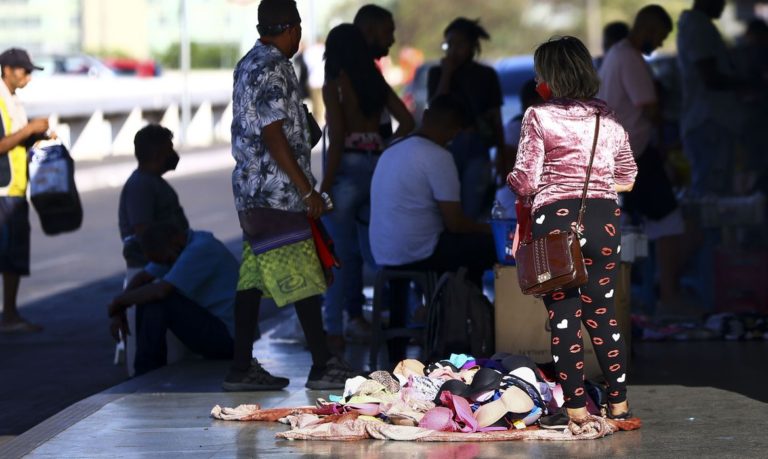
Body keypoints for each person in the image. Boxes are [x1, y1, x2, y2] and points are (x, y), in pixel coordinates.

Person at [223, 0, 356, 392]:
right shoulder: (275, 67)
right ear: (293, 28)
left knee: (250, 280)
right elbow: (272, 132)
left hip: (251, 191)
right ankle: (321, 364)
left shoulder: (248, 62)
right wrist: (306, 189)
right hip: (277, 192)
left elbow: (271, 126)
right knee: (304, 275)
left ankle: (240, 367)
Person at [507, 36, 637, 427]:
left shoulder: (537, 116)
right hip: (604, 221)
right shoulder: (607, 117)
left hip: (557, 225)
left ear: (550, 77)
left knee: (564, 317)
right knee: (603, 316)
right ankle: (620, 408)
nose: (535, 81)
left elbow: (526, 182)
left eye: (539, 74)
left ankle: (577, 411)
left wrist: (512, 178)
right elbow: (627, 178)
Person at [370, 94, 495, 362]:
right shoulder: (438, 156)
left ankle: (436, 320)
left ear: (425, 116)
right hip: (419, 250)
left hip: (383, 251)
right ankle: (460, 325)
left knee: (463, 249)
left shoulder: (392, 149)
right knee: (487, 249)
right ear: (455, 132)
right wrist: (490, 230)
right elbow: (456, 223)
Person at [319, 23, 414, 354]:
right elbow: (409, 121)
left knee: (338, 259)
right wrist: (385, 146)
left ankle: (333, 332)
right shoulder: (375, 81)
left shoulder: (334, 85)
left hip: (346, 172)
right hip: (376, 169)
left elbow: (338, 138)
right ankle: (403, 318)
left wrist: (324, 188)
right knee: (380, 254)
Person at [598, 5, 692, 316]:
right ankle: (668, 295)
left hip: (617, 154)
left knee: (635, 227)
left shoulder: (615, 54)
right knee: (668, 221)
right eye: (661, 37)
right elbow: (648, 107)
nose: (661, 44)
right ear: (649, 30)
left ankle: (635, 297)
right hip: (634, 155)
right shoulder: (630, 57)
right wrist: (666, 136)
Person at [107, 223, 235, 375]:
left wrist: (118, 302)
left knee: (160, 300)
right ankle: (145, 370)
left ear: (175, 242)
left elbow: (160, 292)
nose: (167, 264)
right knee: (146, 295)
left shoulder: (201, 248)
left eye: (167, 260)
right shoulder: (179, 247)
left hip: (231, 341)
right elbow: (143, 278)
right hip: (218, 332)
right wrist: (120, 307)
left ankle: (147, 371)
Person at [427, 18, 504, 220]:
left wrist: (502, 156)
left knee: (472, 205)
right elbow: (435, 108)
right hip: (447, 146)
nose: (453, 50)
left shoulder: (486, 75)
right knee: (446, 202)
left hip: (477, 144)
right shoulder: (437, 73)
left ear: (472, 46)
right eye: (448, 44)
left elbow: (495, 116)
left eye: (459, 44)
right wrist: (446, 74)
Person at [0, 48, 51, 333]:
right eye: (24, 71)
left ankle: (9, 314)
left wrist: (37, 135)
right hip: (3, 190)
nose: (28, 77)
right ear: (7, 69)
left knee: (13, 256)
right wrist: (28, 129)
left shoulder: (13, 101)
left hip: (16, 190)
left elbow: (15, 142)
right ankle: (8, 316)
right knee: (6, 255)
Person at [677, 0, 740, 195]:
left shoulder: (699, 25)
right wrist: (746, 83)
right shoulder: (698, 26)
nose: (722, 6)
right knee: (711, 193)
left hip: (710, 120)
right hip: (708, 120)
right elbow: (710, 77)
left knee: (715, 188)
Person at [118, 124, 188, 278]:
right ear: (158, 153)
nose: (174, 154)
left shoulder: (153, 181)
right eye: (169, 149)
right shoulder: (140, 185)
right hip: (150, 272)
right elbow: (144, 232)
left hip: (162, 269)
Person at [353, 4, 399, 140]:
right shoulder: (366, 75)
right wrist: (389, 152)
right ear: (369, 31)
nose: (392, 40)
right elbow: (406, 121)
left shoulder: (367, 72)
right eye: (387, 32)